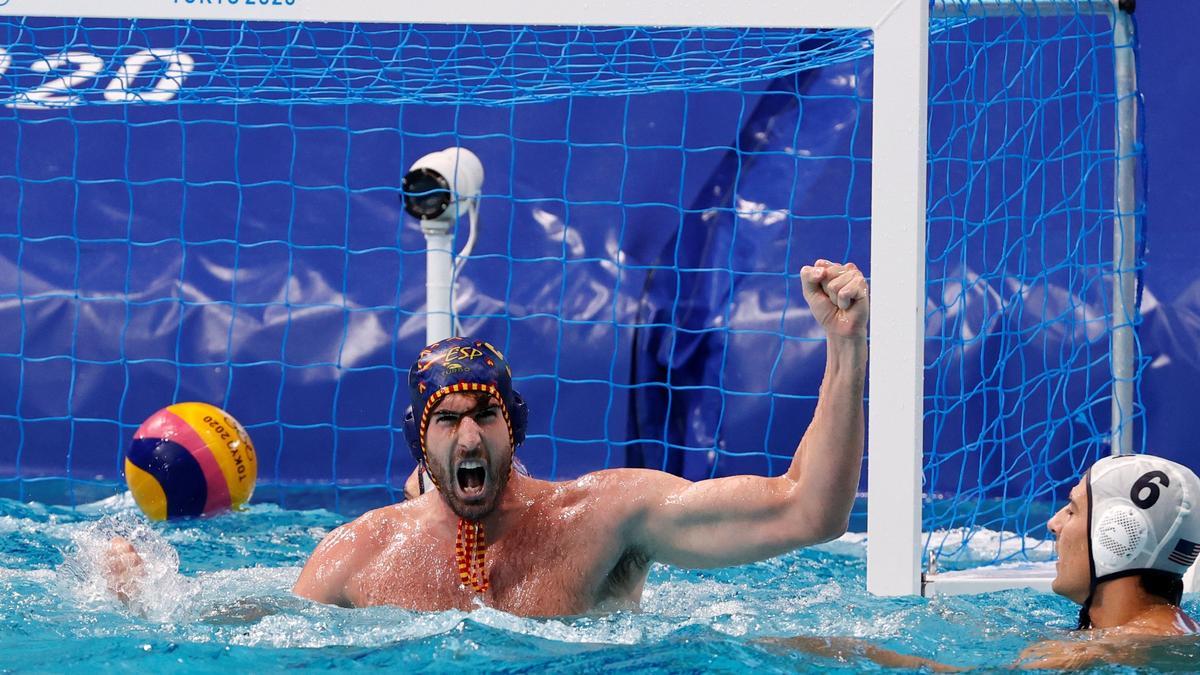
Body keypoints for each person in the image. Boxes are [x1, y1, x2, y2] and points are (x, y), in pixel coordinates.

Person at [285, 258, 869, 615]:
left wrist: (844, 346)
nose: (468, 438)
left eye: (485, 415)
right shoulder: (355, 557)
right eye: (447, 419)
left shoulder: (604, 519)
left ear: (514, 425)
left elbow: (810, 511)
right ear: (419, 439)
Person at [769, 453, 1200, 670]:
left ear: (1119, 536)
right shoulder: (1150, 633)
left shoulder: (1123, 647)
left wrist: (855, 654)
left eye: (1071, 510)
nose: (1053, 524)